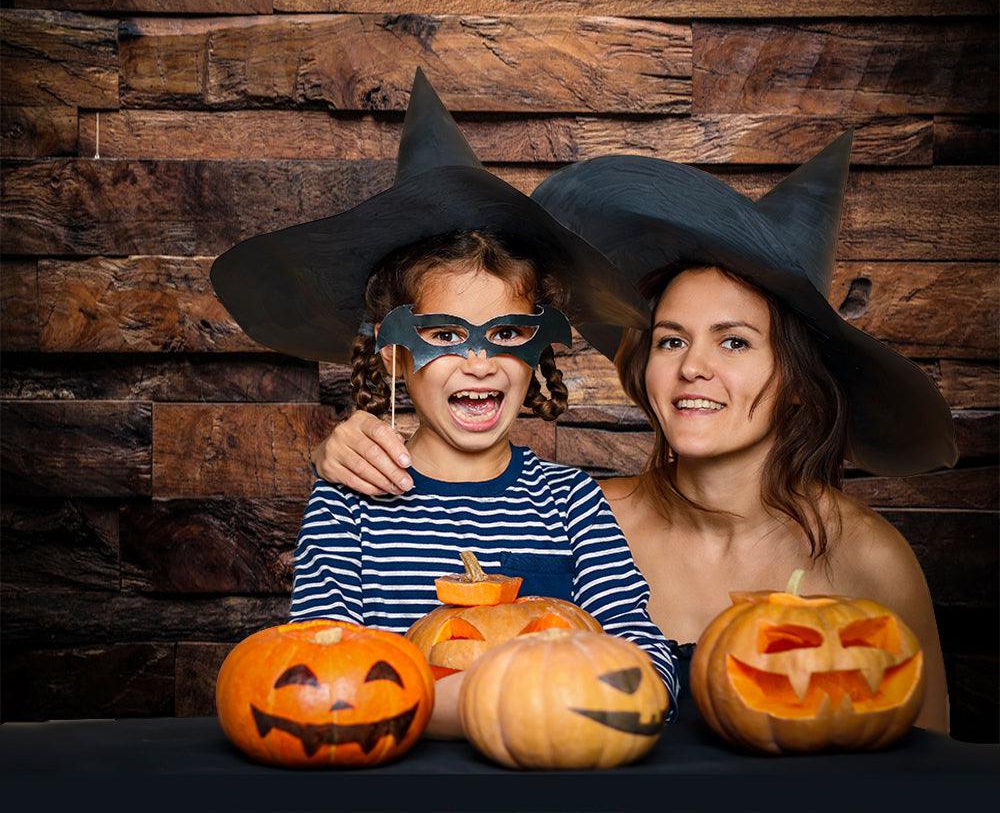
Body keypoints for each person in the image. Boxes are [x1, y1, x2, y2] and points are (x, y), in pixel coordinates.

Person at [310, 131, 957, 733]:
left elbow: (930, 774)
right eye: (672, 339)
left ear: (796, 376)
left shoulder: (874, 562)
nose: (693, 367)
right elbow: (369, 649)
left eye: (734, 341)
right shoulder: (584, 516)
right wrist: (339, 451)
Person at [211, 69, 678, 740]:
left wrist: (591, 700)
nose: (480, 361)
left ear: (537, 350)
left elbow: (646, 660)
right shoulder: (350, 501)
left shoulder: (572, 504)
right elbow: (320, 675)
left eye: (509, 334)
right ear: (396, 354)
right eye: (443, 335)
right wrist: (497, 706)